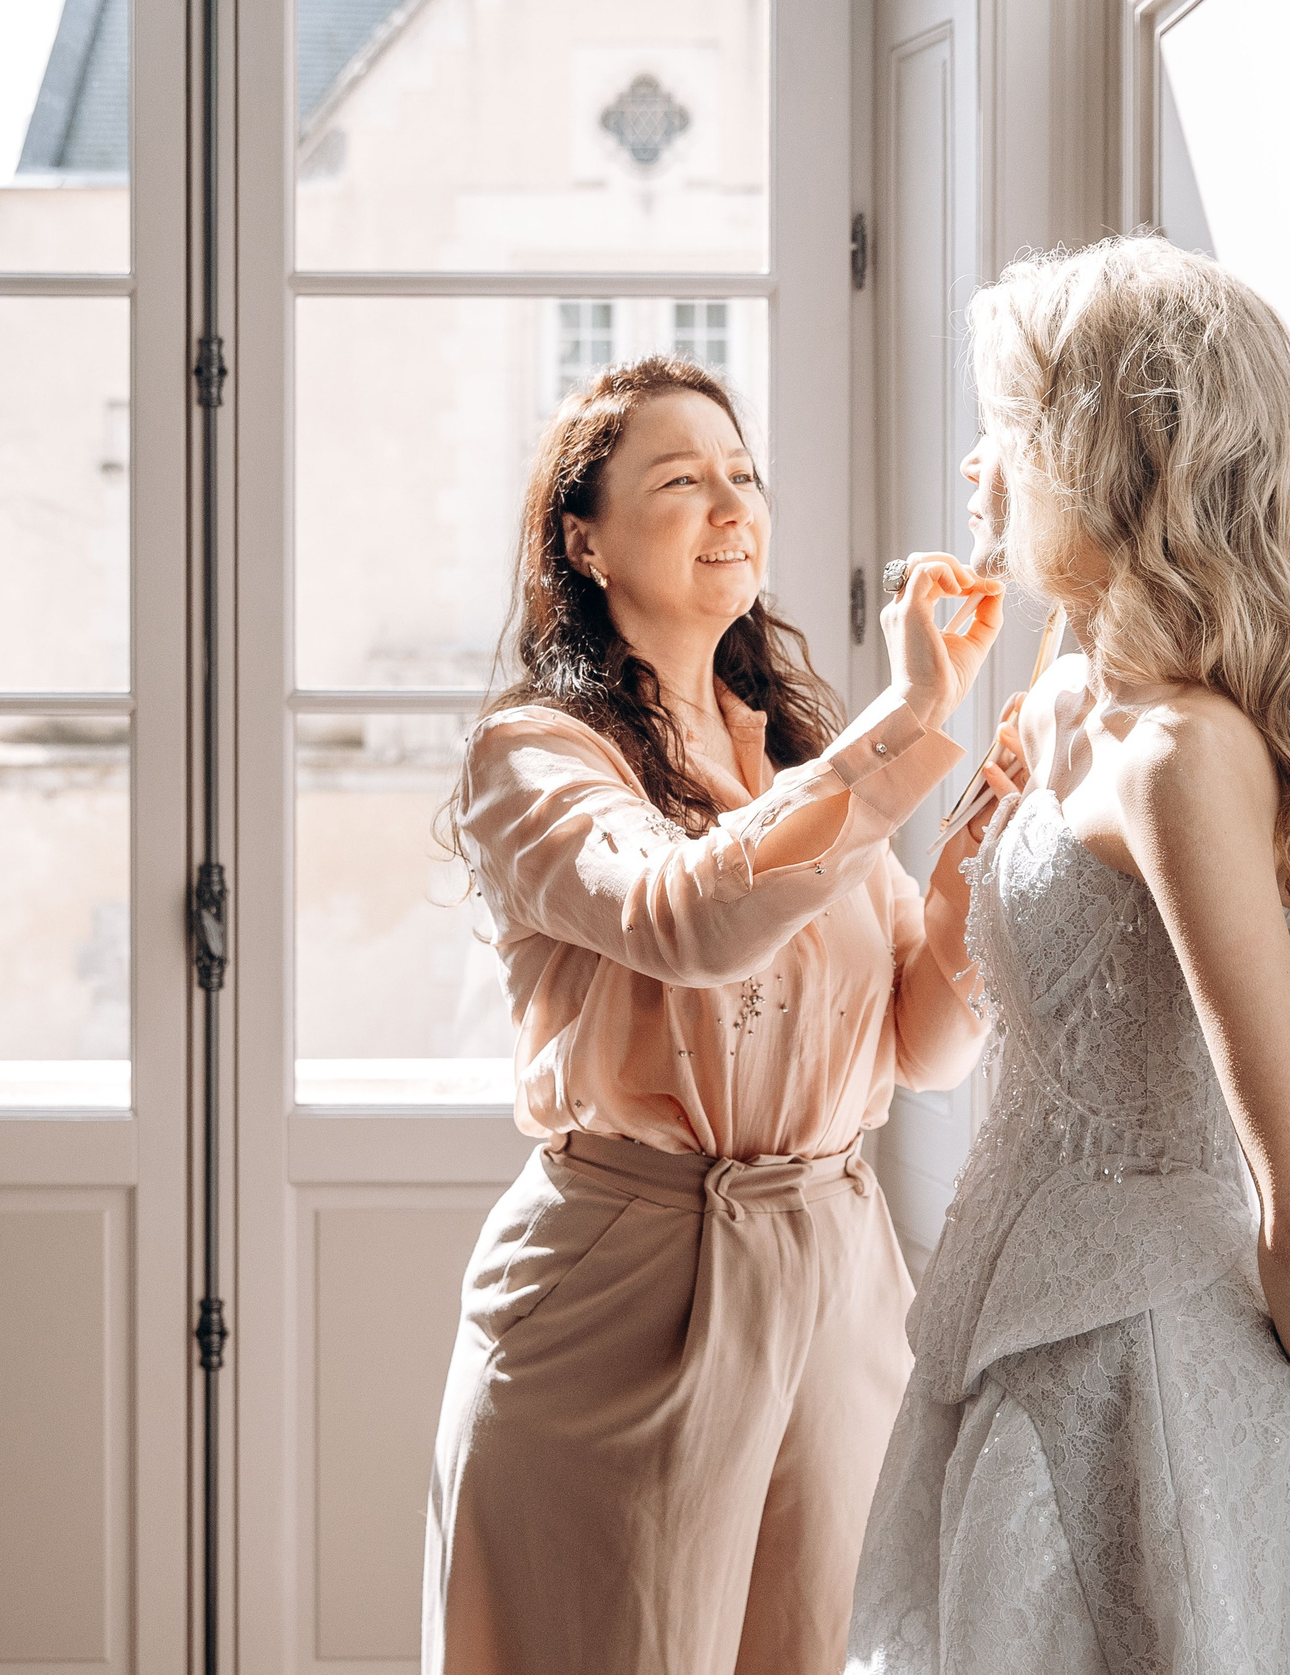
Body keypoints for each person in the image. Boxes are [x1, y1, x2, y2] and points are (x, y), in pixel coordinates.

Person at [844, 235, 1290, 1674]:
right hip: (1012, 1359)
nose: (978, 466)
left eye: (1006, 426)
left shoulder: (1185, 754)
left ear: (1095, 455)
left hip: (1159, 1382)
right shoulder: (1052, 706)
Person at [422, 355, 1016, 1672]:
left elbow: (925, 1043)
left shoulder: (798, 754)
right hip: (625, 1291)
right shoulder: (533, 756)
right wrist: (913, 716)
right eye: (681, 481)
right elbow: (681, 921)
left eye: (742, 475)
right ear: (585, 539)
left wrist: (982, 830)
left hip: (842, 1284)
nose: (731, 504)